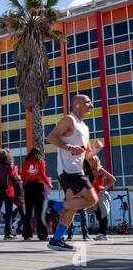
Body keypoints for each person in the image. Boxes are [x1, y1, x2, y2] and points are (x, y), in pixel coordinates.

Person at [45, 94, 103, 251]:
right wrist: (70, 148)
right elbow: (50, 137)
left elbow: (86, 155)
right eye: (87, 102)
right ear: (77, 105)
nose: (91, 104)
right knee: (92, 199)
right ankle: (54, 206)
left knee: (72, 208)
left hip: (75, 170)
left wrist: (96, 149)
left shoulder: (84, 127)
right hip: (69, 170)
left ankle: (56, 240)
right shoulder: (69, 120)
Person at [21, 147, 52, 241]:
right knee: (40, 212)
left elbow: (23, 177)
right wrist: (49, 184)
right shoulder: (41, 162)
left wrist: (25, 183)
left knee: (28, 212)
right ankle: (42, 235)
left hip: (28, 187)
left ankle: (27, 234)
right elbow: (43, 175)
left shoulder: (26, 163)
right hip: (38, 186)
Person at [0, 150, 18, 240]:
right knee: (8, 213)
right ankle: (8, 234)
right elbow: (14, 179)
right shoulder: (12, 167)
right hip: (9, 191)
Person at [90, 156, 116, 241]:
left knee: (103, 214)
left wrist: (106, 187)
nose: (91, 162)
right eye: (90, 160)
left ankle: (103, 234)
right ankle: (101, 234)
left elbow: (112, 179)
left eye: (93, 160)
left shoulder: (100, 170)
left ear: (97, 161)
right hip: (94, 195)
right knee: (98, 215)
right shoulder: (89, 171)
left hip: (101, 194)